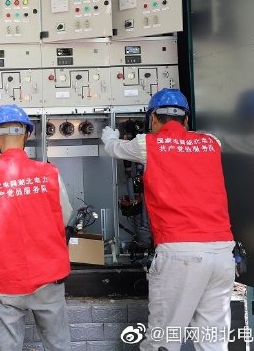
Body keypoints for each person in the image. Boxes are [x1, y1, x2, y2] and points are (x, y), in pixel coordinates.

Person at [100, 88, 235, 351]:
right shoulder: (212, 142)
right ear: (186, 119)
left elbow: (115, 150)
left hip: (181, 254)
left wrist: (110, 137)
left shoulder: (148, 144)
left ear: (152, 119)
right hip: (222, 254)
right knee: (213, 341)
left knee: (163, 340)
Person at [0, 104, 73, 351]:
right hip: (48, 275)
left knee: (8, 346)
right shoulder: (49, 173)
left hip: (5, 278)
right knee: (58, 344)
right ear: (27, 135)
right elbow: (65, 216)